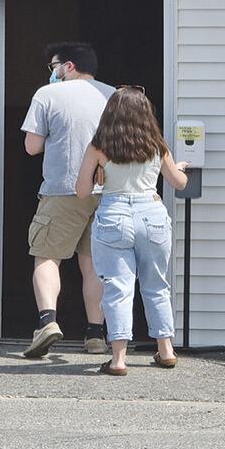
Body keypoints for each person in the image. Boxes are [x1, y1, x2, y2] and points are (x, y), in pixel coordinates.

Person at [75, 87, 190, 376]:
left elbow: (82, 191)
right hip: (151, 214)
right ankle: (166, 350)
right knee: (156, 285)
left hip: (114, 215)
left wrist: (99, 175)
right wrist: (180, 168)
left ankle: (118, 360)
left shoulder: (99, 146)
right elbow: (179, 183)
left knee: (118, 288)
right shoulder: (156, 144)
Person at [20, 41, 116, 358]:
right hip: (106, 191)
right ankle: (96, 335)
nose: (52, 72)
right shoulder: (113, 96)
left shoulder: (48, 94)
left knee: (47, 256)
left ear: (68, 66)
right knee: (94, 264)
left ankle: (47, 322)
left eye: (54, 66)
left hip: (63, 189)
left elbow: (32, 147)